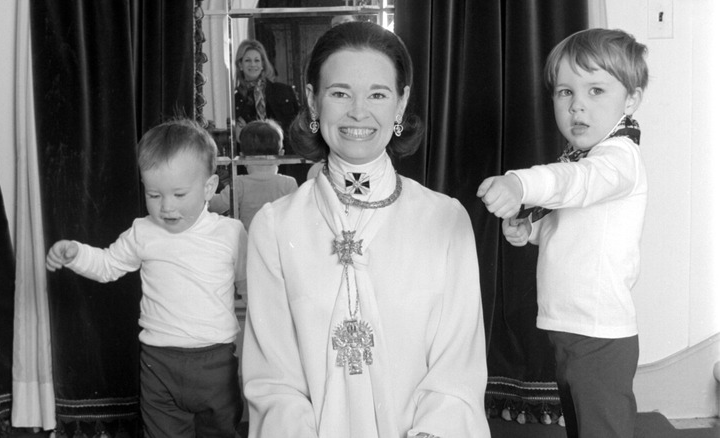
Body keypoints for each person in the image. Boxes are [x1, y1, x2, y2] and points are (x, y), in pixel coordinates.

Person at [242, 21, 490, 438]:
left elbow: (457, 373)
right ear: (312, 100)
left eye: (377, 94)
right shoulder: (274, 226)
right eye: (340, 93)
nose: (359, 111)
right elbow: (274, 382)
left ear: (401, 102)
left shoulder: (446, 221)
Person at [477, 28, 648, 438]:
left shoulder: (618, 159)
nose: (577, 107)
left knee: (603, 428)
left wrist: (520, 184)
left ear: (631, 100)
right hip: (568, 325)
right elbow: (569, 217)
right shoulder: (586, 157)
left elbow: (573, 182)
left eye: (595, 91)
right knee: (579, 425)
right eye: (565, 93)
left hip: (599, 333)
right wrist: (531, 227)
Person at [45, 118, 247, 438]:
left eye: (179, 194)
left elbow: (250, 289)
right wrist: (77, 253)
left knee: (222, 432)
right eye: (154, 194)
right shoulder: (143, 231)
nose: (166, 207)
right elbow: (109, 265)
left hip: (216, 363)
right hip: (158, 363)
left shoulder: (230, 233)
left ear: (209, 187)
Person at [209, 119, 298, 231]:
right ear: (281, 155)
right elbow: (297, 216)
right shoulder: (288, 183)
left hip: (249, 243)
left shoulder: (239, 184)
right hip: (279, 243)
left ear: (242, 157)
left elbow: (215, 206)